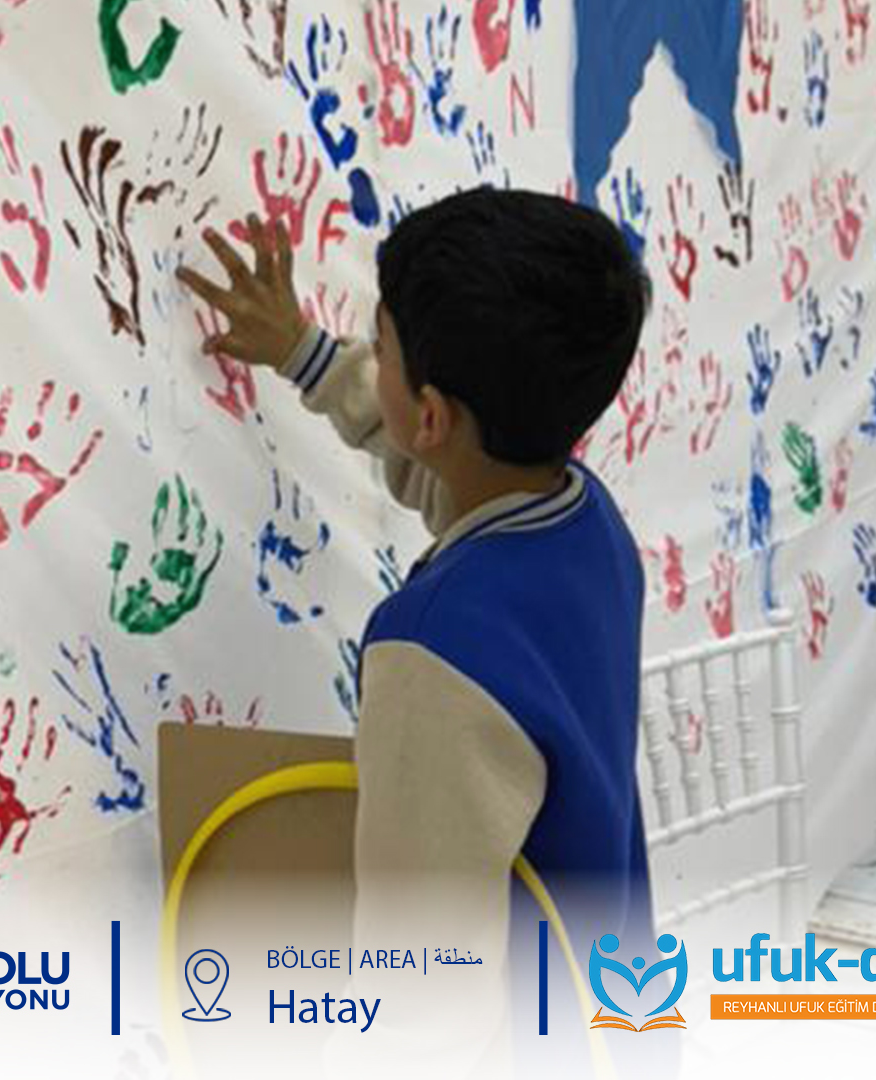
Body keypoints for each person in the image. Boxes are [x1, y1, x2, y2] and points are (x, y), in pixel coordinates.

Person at [177, 188, 662, 1077]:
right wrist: (306, 353)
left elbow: (422, 1000)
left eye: (381, 345)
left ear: (431, 414)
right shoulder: (586, 523)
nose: (373, 354)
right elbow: (440, 469)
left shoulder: (434, 654)